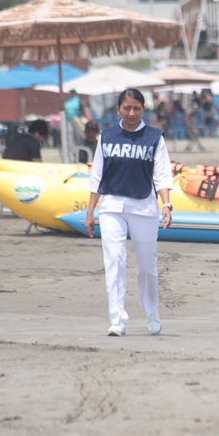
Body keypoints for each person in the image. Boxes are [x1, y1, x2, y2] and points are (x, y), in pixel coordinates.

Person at [85, 89, 174, 337]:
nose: (132, 113)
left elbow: (162, 175)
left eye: (136, 108)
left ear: (143, 109)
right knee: (114, 261)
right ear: (118, 110)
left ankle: (152, 313)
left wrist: (166, 205)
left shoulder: (154, 138)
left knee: (146, 266)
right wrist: (90, 212)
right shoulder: (107, 137)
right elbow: (97, 176)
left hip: (143, 207)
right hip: (112, 206)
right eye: (127, 108)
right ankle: (117, 320)